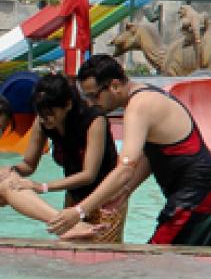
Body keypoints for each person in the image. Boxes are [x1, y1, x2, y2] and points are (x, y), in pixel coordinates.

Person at [47, 55, 211, 246]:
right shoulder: (146, 96)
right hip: (207, 191)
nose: (91, 104)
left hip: (196, 195)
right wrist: (126, 191)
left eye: (94, 96)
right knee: (185, 266)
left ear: (115, 86)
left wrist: (79, 211)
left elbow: (125, 169)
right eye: (86, 97)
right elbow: (151, 155)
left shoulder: (138, 107)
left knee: (152, 263)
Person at [0, 74, 126, 242]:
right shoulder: (43, 122)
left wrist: (42, 187)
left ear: (67, 105)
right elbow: (28, 165)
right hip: (75, 195)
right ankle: (73, 226)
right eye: (40, 113)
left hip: (105, 197)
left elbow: (89, 174)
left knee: (103, 253)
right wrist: (12, 170)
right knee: (10, 182)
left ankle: (74, 226)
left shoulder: (93, 120)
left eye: (49, 113)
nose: (45, 118)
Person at [57, 0, 92, 79]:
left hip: (74, 39)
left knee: (74, 74)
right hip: (81, 37)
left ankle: (75, 96)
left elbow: (63, 14)